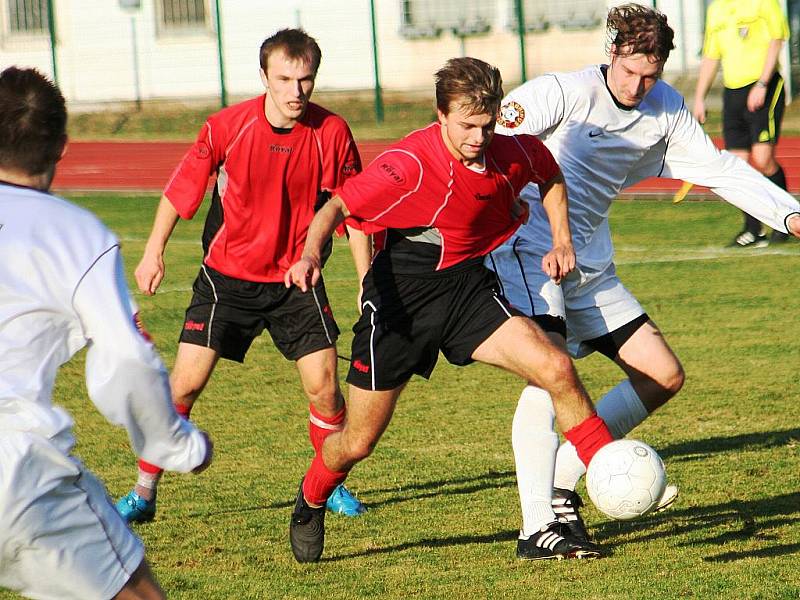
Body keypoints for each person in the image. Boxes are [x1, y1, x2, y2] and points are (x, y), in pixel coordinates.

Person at [285, 56, 620, 563]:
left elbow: (549, 175)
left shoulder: (511, 150)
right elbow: (336, 207)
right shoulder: (409, 163)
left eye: (487, 126)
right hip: (402, 297)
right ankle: (310, 500)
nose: (478, 138)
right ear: (440, 115)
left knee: (554, 366)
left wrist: (562, 239)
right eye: (467, 126)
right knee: (356, 441)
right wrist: (311, 254)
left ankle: (610, 473)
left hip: (466, 290)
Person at [492, 2, 800, 546]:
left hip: (587, 262)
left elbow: (720, 169)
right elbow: (482, 143)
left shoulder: (666, 109)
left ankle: (564, 484)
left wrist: (788, 212)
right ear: (612, 52)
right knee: (550, 374)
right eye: (630, 70)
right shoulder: (563, 93)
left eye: (650, 75)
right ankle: (537, 525)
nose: (637, 86)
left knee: (661, 374)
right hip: (529, 254)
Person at [115, 28, 371, 523]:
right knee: (184, 386)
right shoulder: (227, 126)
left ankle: (329, 481)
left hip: (297, 280)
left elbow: (354, 208)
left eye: (306, 79)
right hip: (226, 278)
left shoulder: (332, 132)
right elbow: (179, 190)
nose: (297, 91)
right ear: (264, 78)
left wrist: (365, 275)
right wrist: (154, 252)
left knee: (324, 387)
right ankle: (143, 493)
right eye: (285, 78)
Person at [0, 66, 213, 600]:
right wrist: (174, 444)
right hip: (20, 473)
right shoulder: (76, 234)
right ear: (62, 147)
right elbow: (127, 363)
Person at [693, 0, 791, 247]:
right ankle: (753, 229)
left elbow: (776, 40)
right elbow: (711, 55)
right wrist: (699, 98)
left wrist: (762, 83)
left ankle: (786, 220)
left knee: (763, 159)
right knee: (738, 165)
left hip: (763, 87)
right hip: (732, 91)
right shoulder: (716, 9)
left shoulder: (764, 3)